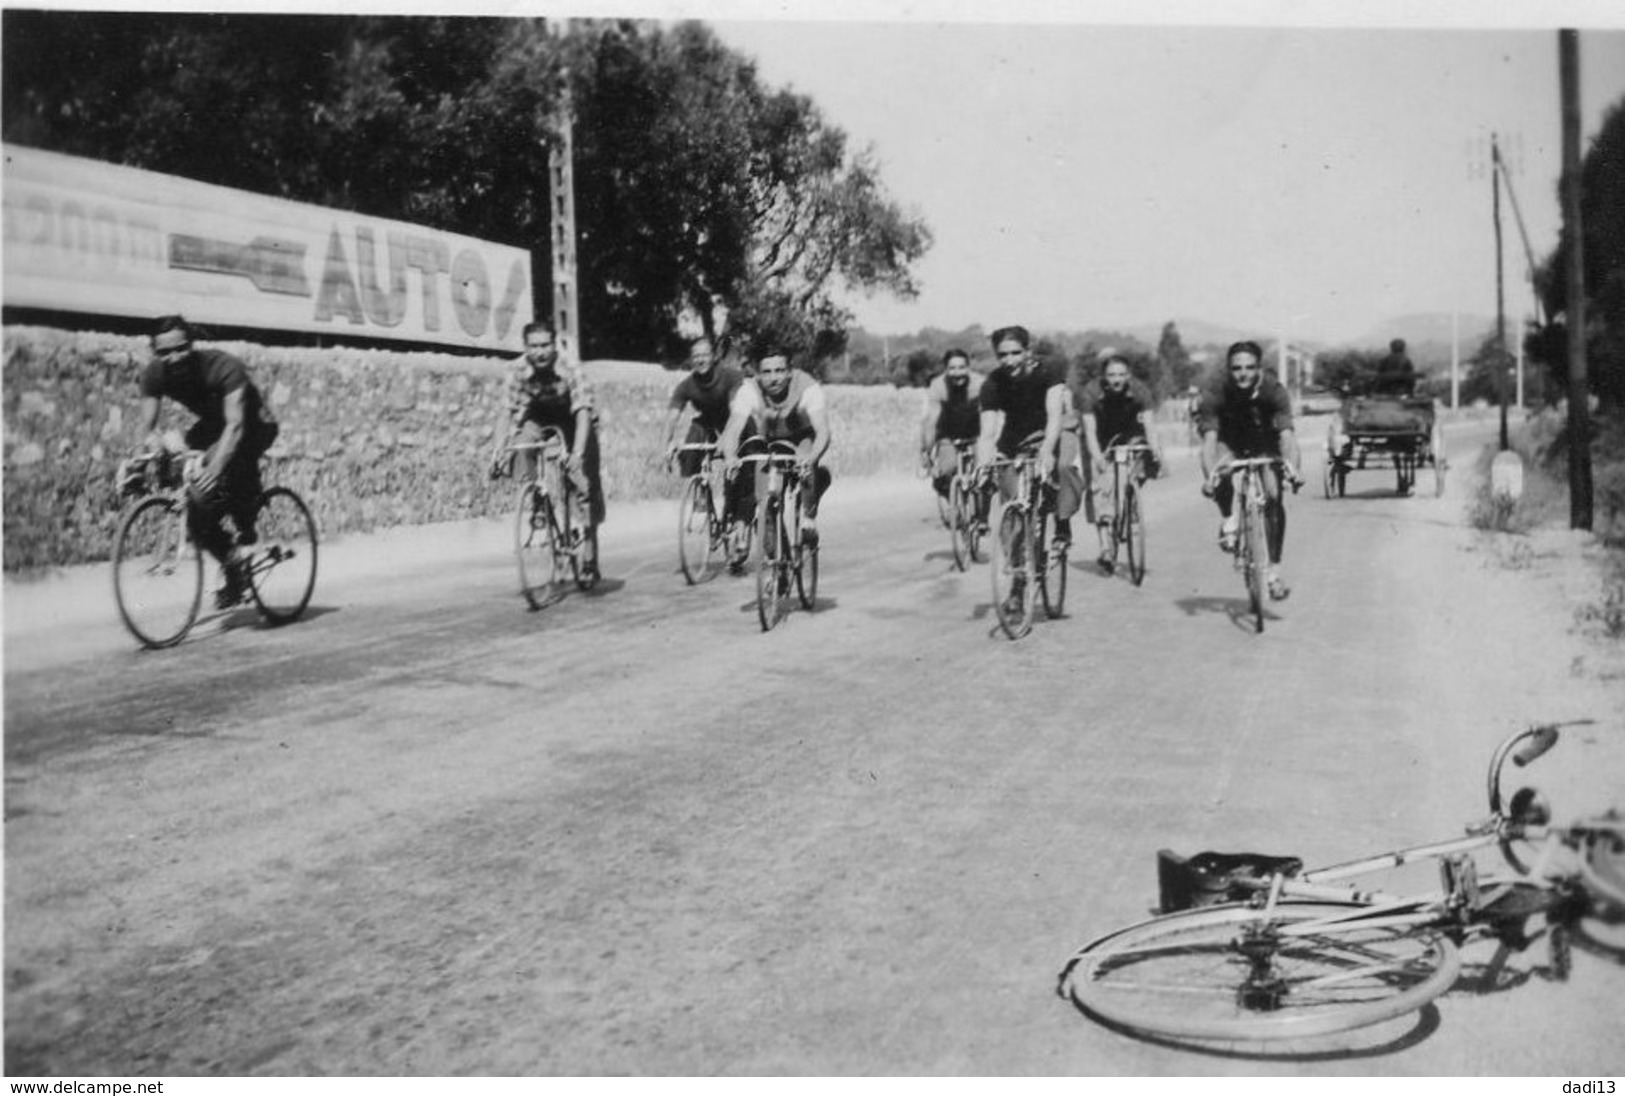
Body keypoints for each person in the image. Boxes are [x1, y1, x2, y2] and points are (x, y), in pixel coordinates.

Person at [137, 315, 280, 609]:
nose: (173, 358)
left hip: (254, 423)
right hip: (214, 424)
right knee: (195, 504)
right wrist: (151, 447)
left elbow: (236, 427)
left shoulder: (222, 367)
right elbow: (146, 429)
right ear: (155, 353)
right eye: (164, 353)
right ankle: (232, 561)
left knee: (214, 479)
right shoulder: (154, 374)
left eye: (180, 349)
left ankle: (245, 516)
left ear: (192, 344)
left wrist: (214, 470)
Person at [976, 326, 1082, 608]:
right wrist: (983, 465)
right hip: (1014, 439)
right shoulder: (993, 383)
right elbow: (986, 433)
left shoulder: (1048, 371)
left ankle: (1061, 526)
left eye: (1015, 353)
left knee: (1061, 467)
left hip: (1052, 432)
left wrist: (1047, 450)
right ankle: (1018, 584)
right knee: (1012, 510)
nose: (1009, 360)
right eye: (1003, 355)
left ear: (1027, 351)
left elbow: (1054, 417)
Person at [493, 320, 604, 579]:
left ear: (554, 346)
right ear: (525, 347)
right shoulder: (517, 369)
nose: (540, 352)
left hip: (574, 419)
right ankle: (536, 501)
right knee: (520, 445)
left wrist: (576, 454)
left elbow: (583, 412)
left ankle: (589, 553)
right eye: (533, 346)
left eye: (545, 345)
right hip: (539, 416)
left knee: (584, 485)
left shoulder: (570, 368)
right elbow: (505, 412)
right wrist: (498, 449)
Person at [1196, 340, 1303, 601]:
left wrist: (1293, 469)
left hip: (1264, 442)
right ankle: (1228, 519)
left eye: (1249, 367)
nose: (1243, 373)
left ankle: (1273, 573)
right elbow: (1209, 443)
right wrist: (1211, 477)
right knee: (1220, 473)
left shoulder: (1274, 390)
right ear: (1228, 370)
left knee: (1274, 497)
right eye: (1236, 368)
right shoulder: (1215, 392)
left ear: (1259, 368)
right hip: (1230, 441)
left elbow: (1287, 437)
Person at [719, 352, 832, 546]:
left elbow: (823, 431)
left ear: (789, 372)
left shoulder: (807, 387)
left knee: (806, 468)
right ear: (759, 375)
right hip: (770, 438)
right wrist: (730, 457)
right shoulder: (749, 390)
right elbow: (733, 429)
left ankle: (808, 517)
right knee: (764, 491)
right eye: (767, 372)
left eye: (779, 371)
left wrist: (811, 458)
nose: (774, 378)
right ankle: (773, 541)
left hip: (801, 435)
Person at [662, 335, 750, 569]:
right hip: (708, 422)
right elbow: (673, 415)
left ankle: (735, 522)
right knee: (691, 442)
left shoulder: (730, 376)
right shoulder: (687, 385)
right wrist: (667, 444)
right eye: (696, 356)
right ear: (692, 360)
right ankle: (700, 490)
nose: (700, 360)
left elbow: (735, 410)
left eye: (705, 354)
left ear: (713, 356)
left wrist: (729, 442)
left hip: (735, 421)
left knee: (737, 472)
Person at [1077, 349, 1164, 574]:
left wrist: (1155, 451)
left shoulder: (1140, 391)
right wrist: (1097, 458)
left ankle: (1130, 498)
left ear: (1129, 375)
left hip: (1129, 434)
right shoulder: (1090, 392)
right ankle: (1105, 547)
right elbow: (1089, 430)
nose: (1116, 380)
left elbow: (1150, 427)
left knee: (1145, 463)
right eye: (1111, 375)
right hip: (1099, 439)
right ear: (1104, 376)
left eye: (1121, 374)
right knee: (1100, 488)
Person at [918, 348, 983, 503]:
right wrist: (926, 451)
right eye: (952, 368)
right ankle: (949, 494)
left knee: (984, 470)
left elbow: (989, 415)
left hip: (975, 431)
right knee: (948, 469)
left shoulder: (979, 384)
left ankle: (981, 516)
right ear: (945, 370)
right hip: (948, 432)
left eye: (962, 368)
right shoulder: (938, 386)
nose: (957, 373)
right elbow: (931, 421)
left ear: (968, 368)